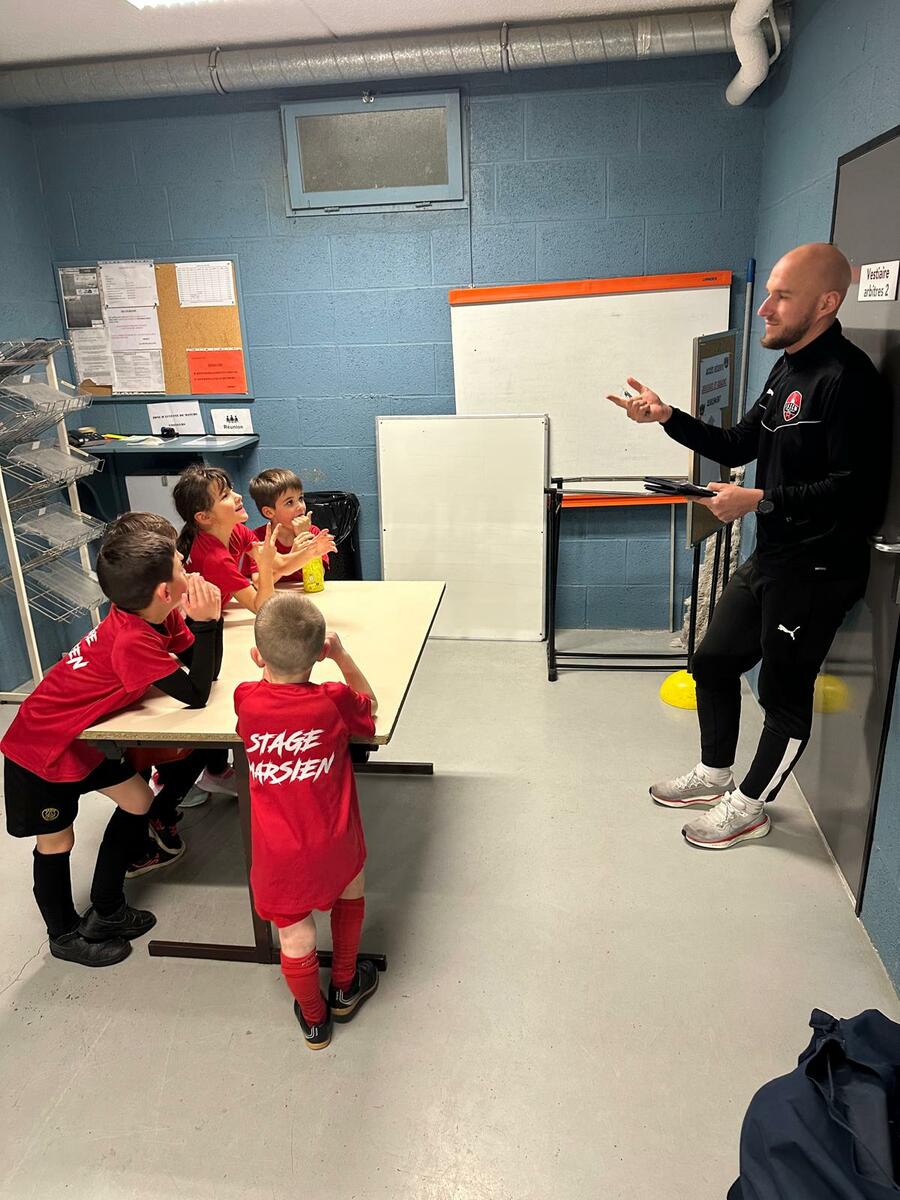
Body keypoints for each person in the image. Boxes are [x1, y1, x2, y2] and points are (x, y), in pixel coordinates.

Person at [607, 243, 890, 850]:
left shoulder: (849, 380)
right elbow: (738, 443)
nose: (765, 308)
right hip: (774, 555)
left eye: (782, 297)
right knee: (712, 661)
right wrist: (667, 416)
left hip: (818, 568)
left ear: (827, 303)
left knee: (783, 696)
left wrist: (759, 501)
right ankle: (714, 774)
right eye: (769, 295)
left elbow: (854, 490)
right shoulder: (788, 366)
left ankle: (751, 807)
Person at [1, 525, 221, 967]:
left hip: (80, 738)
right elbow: (197, 693)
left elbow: (203, 671)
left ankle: (107, 907)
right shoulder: (132, 639)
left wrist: (200, 625)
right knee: (57, 841)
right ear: (165, 591)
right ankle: (63, 934)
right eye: (182, 566)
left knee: (139, 800)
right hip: (39, 747)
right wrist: (207, 622)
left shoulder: (158, 615)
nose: (190, 569)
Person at [234, 592, 378, 1049]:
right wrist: (341, 656)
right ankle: (344, 986)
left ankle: (315, 1021)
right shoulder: (333, 700)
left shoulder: (246, 700)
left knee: (294, 934)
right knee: (350, 889)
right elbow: (369, 707)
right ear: (320, 653)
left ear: (257, 656)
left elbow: (265, 690)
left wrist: (273, 661)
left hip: (279, 852)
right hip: (334, 838)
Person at [173, 465, 335, 615]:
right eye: (225, 495)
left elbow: (281, 564)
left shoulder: (237, 530)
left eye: (231, 490)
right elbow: (261, 608)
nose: (238, 496)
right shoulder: (215, 559)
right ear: (204, 517)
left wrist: (311, 552)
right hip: (195, 622)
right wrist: (265, 566)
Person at [249, 467, 330, 584]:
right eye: (289, 502)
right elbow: (258, 583)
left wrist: (305, 539)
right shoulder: (258, 539)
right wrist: (291, 559)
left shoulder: (313, 532)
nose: (301, 507)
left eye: (300, 498)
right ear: (269, 512)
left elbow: (317, 578)